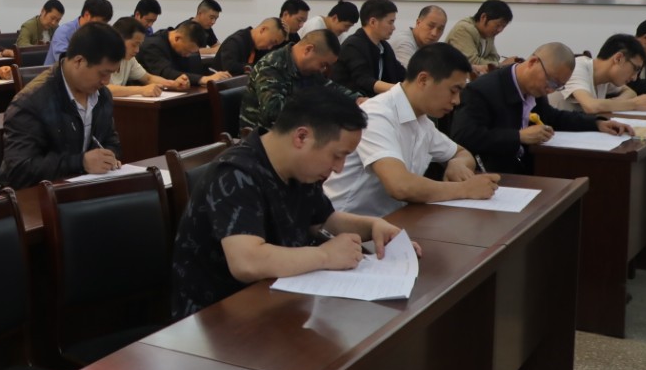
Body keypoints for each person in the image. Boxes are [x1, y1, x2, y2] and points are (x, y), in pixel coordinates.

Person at [171, 87, 414, 317]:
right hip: (218, 316)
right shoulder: (235, 173)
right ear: (301, 137)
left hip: (277, 297)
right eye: (337, 155)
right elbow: (247, 262)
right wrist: (325, 256)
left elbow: (324, 220)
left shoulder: (300, 169)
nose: (339, 168)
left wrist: (372, 226)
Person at [323, 43, 501, 217]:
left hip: (392, 221)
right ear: (423, 80)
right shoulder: (376, 115)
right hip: (344, 224)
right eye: (453, 90)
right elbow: (400, 186)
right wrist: (464, 189)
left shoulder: (422, 122)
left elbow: (462, 153)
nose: (457, 101)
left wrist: (457, 163)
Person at [450, 42, 634, 174]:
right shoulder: (482, 90)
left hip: (526, 165)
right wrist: (518, 136)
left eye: (558, 86)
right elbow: (463, 136)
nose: (550, 89)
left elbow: (552, 117)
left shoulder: (535, 88)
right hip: (494, 172)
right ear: (532, 62)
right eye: (551, 82)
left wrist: (597, 123)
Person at [0, 22, 125, 188]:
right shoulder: (30, 103)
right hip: (35, 195)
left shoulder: (102, 96)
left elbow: (111, 142)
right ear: (79, 61)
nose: (106, 82)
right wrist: (80, 163)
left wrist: (108, 157)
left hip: (83, 188)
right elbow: (19, 170)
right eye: (103, 73)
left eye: (111, 74)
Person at [240, 29, 365, 135]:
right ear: (308, 50)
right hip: (265, 137)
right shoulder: (271, 66)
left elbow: (329, 87)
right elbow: (273, 112)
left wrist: (357, 99)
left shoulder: (308, 69)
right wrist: (321, 110)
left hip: (295, 133)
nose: (322, 70)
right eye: (323, 64)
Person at [553, 35, 646, 115]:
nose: (634, 78)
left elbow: (630, 92)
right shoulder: (577, 67)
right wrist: (634, 104)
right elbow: (591, 106)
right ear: (618, 58)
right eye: (635, 69)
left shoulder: (606, 76)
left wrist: (612, 104)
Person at [331, 0, 405, 95]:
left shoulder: (384, 47)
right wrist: (403, 89)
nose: (393, 27)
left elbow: (401, 73)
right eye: (390, 22)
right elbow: (364, 81)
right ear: (373, 22)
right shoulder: (352, 46)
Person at [109, 18, 190, 97]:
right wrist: (141, 90)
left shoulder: (129, 59)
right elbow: (105, 89)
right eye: (134, 45)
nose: (137, 50)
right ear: (119, 39)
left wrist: (173, 84)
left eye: (139, 45)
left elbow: (148, 78)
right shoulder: (103, 57)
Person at [137, 19, 228, 88]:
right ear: (177, 38)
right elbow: (166, 73)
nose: (188, 55)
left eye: (192, 53)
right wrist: (203, 79)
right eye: (187, 51)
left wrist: (215, 76)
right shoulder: (152, 45)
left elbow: (192, 71)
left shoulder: (187, 45)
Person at [445, 0, 518, 74]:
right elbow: (472, 62)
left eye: (503, 26)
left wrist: (488, 62)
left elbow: (495, 57)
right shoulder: (463, 29)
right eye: (498, 25)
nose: (500, 30)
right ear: (483, 17)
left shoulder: (488, 33)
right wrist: (502, 64)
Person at [44, 0, 113, 68]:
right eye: (99, 23)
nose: (101, 27)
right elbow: (66, 63)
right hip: (55, 74)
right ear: (87, 15)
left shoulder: (98, 34)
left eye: (105, 24)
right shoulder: (64, 32)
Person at [215, 18, 285, 77]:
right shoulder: (234, 41)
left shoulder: (260, 47)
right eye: (271, 42)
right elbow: (230, 68)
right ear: (263, 30)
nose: (270, 47)